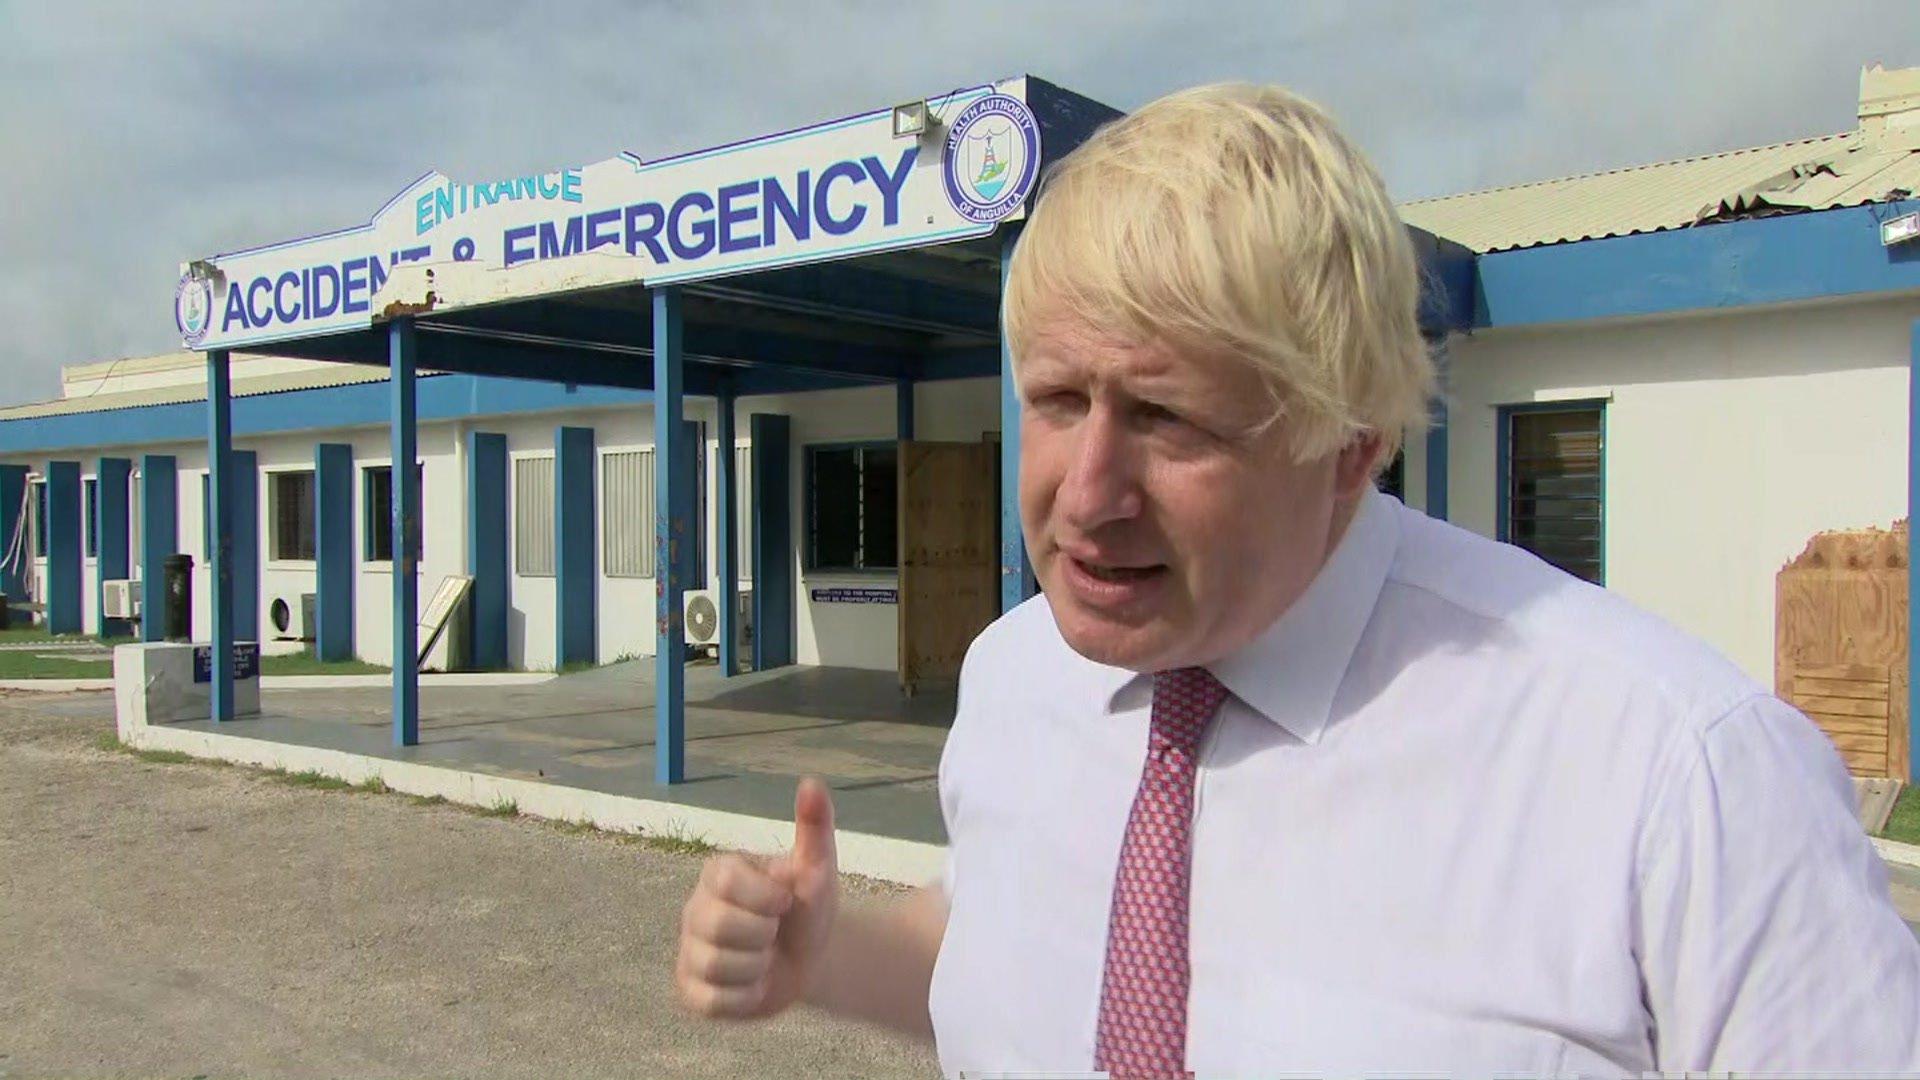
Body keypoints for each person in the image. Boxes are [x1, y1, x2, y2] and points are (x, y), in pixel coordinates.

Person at [674, 82, 1920, 1075]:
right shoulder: (1016, 679)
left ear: (1351, 442)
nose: (1087, 491)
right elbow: (1014, 945)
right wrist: (823, 957)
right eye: (1057, 401)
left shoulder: (1676, 777)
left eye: (1170, 420)